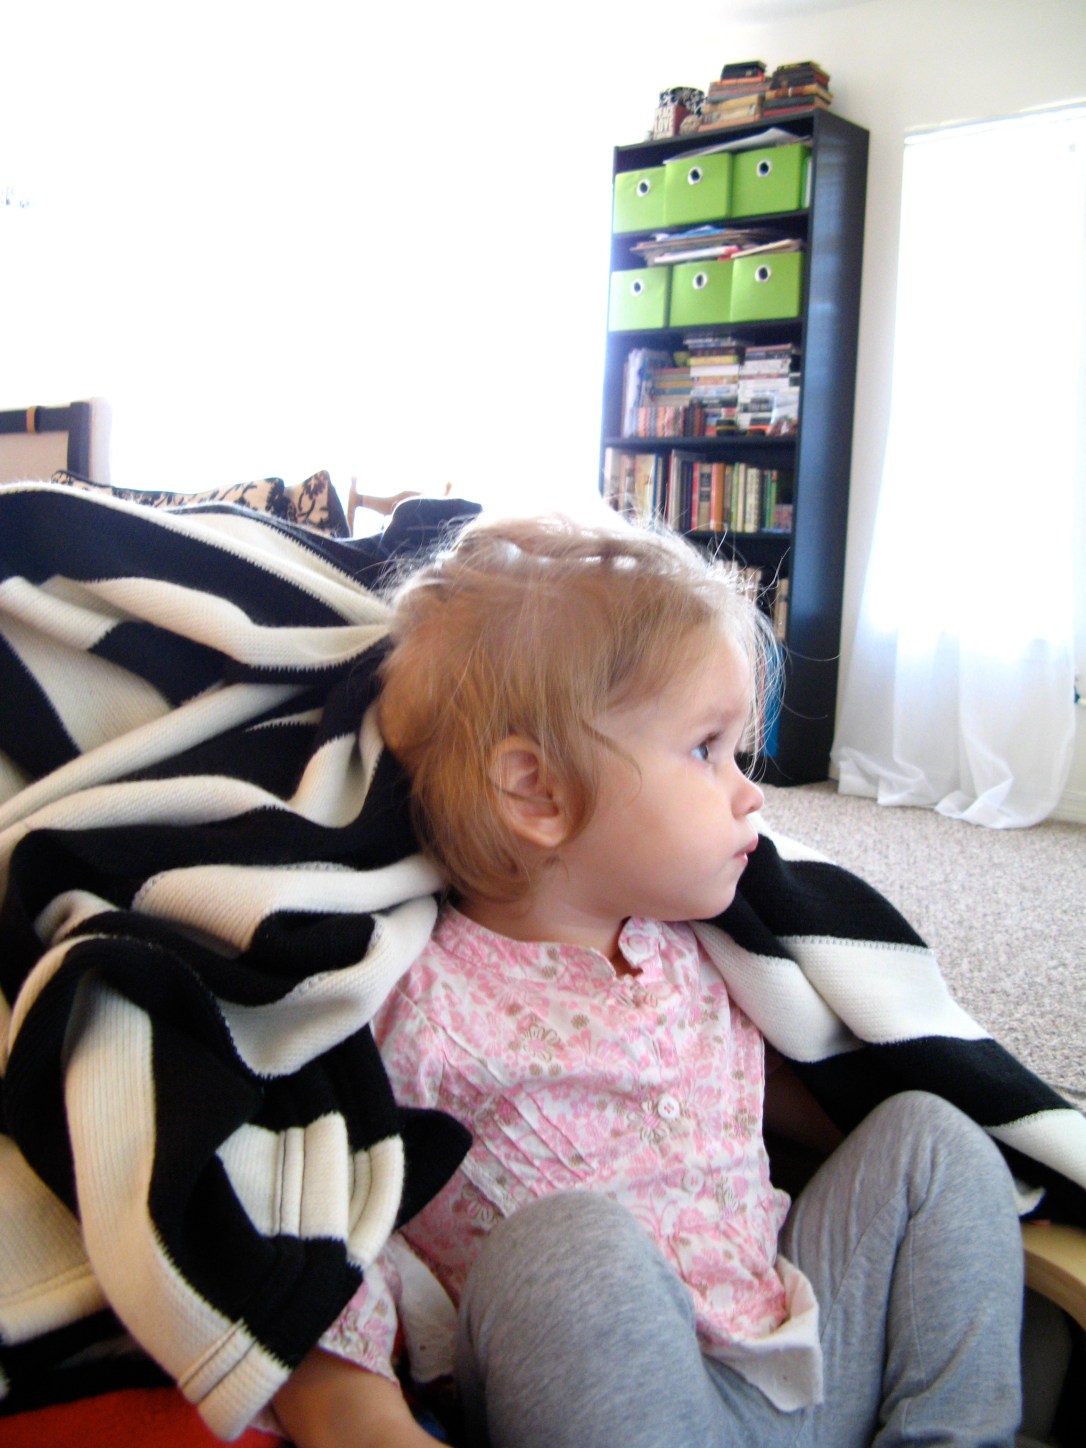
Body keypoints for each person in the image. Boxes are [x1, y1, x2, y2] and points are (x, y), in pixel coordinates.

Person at [273, 513, 1025, 1448]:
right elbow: (334, 1214)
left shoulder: (697, 945)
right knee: (565, 1252)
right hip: (627, 1403)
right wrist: (354, 1403)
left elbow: (775, 1083)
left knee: (933, 1139)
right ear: (538, 795)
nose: (749, 792)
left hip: (802, 1354)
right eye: (706, 749)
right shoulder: (418, 1003)